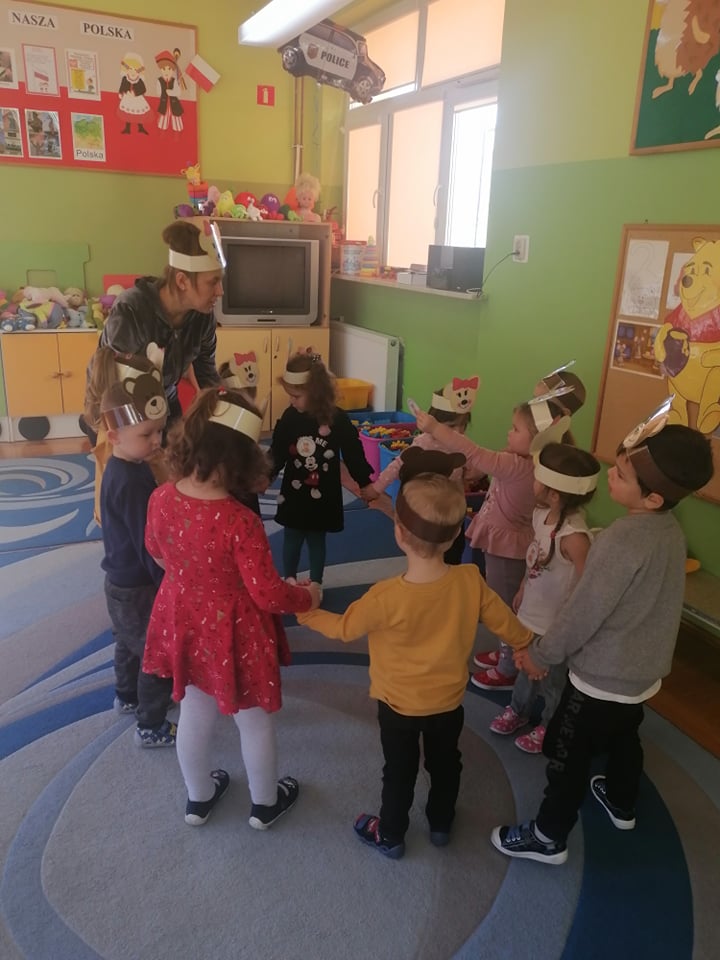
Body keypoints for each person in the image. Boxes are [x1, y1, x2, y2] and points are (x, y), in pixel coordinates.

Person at [491, 411, 714, 866]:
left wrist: (541, 655)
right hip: (642, 673)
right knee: (625, 735)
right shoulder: (670, 532)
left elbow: (582, 612)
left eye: (623, 474)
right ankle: (621, 799)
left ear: (653, 497)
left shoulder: (619, 541)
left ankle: (548, 836)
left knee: (567, 753)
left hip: (600, 677)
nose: (610, 473)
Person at [297, 448, 533, 859]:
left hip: (398, 705)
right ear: (456, 536)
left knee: (399, 771)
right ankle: (441, 822)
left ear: (399, 534)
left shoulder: (384, 596)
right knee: (446, 764)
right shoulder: (470, 579)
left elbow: (343, 629)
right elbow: (507, 625)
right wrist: (526, 645)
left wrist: (307, 613)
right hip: (447, 701)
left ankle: (391, 834)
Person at [142, 387, 321, 828]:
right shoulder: (240, 522)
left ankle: (198, 798)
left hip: (185, 618)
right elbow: (268, 594)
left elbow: (157, 551)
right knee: (253, 719)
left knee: (194, 710)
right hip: (236, 631)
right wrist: (308, 597)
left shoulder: (161, 498)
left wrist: (190, 579)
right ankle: (265, 804)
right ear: (243, 459)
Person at [414, 390, 572, 691]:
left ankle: (508, 666)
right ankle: (507, 653)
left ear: (536, 440)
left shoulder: (516, 465)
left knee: (504, 608)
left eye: (515, 429)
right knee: (505, 602)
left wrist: (435, 428)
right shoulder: (527, 462)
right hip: (508, 543)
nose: (508, 433)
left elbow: (472, 451)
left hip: (506, 548)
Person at [489, 443, 600, 754]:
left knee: (553, 683)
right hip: (530, 615)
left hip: (554, 626)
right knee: (525, 669)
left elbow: (588, 584)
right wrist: (523, 587)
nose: (533, 481)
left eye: (538, 477)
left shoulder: (574, 537)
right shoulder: (541, 516)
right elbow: (535, 559)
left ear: (554, 494)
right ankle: (519, 709)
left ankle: (550, 725)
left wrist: (569, 624)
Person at [98, 357, 176, 747]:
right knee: (155, 653)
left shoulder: (127, 465)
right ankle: (151, 724)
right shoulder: (129, 482)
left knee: (128, 644)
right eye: (147, 434)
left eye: (159, 431)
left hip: (119, 581)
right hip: (139, 585)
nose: (157, 441)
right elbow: (148, 540)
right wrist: (168, 581)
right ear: (114, 436)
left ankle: (127, 696)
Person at [95, 218, 224, 429]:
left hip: (164, 399)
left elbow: (206, 375)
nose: (220, 292)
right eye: (213, 282)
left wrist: (224, 413)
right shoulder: (131, 311)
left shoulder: (203, 318)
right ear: (182, 281)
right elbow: (114, 388)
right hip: (120, 406)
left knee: (175, 448)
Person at [270, 350, 375, 585]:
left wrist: (365, 482)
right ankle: (289, 580)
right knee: (291, 536)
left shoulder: (337, 419)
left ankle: (316, 583)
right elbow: (277, 451)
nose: (291, 400)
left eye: (296, 396)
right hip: (294, 493)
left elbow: (353, 453)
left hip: (323, 495)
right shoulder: (290, 417)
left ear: (316, 392)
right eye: (290, 395)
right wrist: (265, 476)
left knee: (317, 539)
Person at [371, 375, 479, 564]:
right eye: (451, 426)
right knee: (425, 554)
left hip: (453, 511)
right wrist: (376, 488)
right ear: (433, 424)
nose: (458, 432)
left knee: (454, 552)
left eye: (463, 426)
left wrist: (474, 473)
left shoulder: (463, 444)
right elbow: (398, 465)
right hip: (427, 511)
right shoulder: (423, 442)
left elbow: (475, 464)